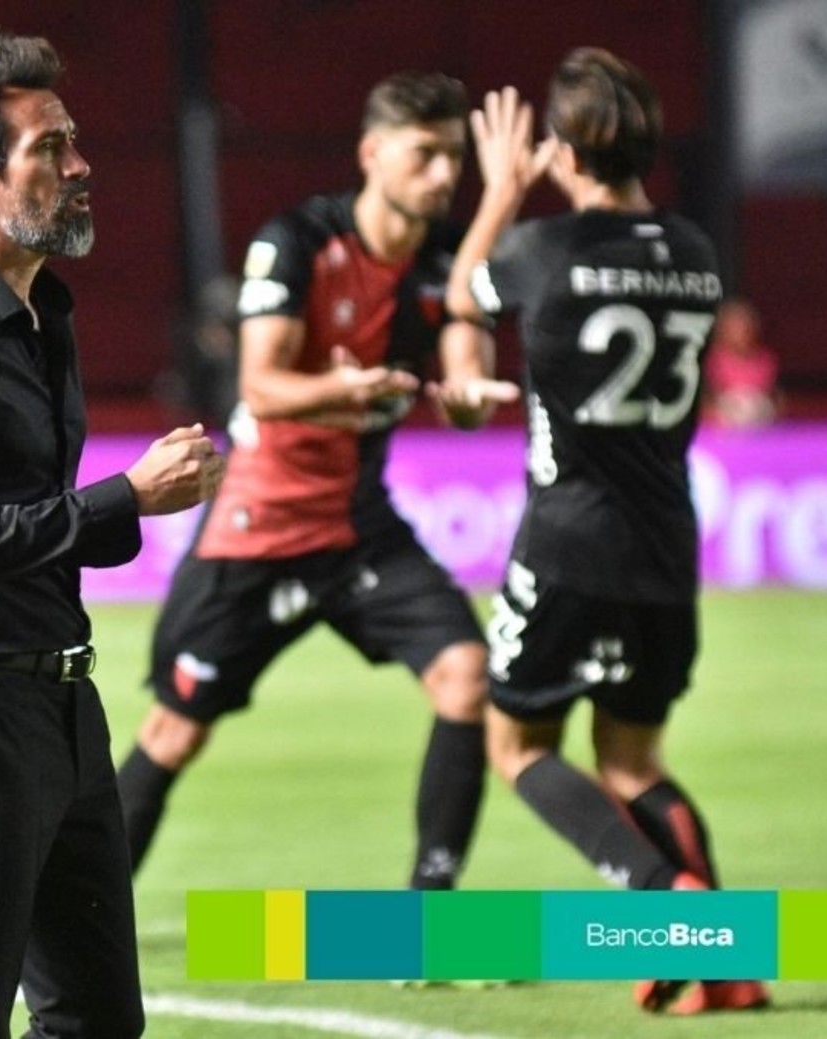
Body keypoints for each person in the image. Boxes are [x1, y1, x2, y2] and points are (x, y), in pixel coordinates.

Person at [0, 33, 224, 1039]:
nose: (80, 165)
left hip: (61, 708)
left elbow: (31, 519)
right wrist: (124, 498)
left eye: (73, 141)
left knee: (98, 1023)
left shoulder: (40, 313)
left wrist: (127, 508)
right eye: (50, 148)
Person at [115, 72, 519, 896]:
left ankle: (426, 917)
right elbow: (258, 387)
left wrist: (467, 395)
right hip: (256, 523)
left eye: (454, 157)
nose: (443, 174)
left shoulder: (446, 261)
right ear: (372, 154)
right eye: (424, 154)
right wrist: (345, 387)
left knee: (465, 674)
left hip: (356, 524)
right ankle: (75, 924)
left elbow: (466, 387)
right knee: (175, 732)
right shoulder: (298, 239)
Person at [444, 49, 770, 1015]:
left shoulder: (543, 249)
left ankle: (661, 900)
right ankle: (730, 966)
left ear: (565, 151)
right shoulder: (697, 253)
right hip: (665, 543)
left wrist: (502, 191)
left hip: (566, 540)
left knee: (516, 745)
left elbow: (462, 294)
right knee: (633, 761)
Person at [703, 296, 779, 429]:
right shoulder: (711, 361)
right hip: (719, 428)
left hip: (758, 426)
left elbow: (775, 400)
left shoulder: (765, 361)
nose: (739, 333)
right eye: (733, 327)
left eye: (744, 327)